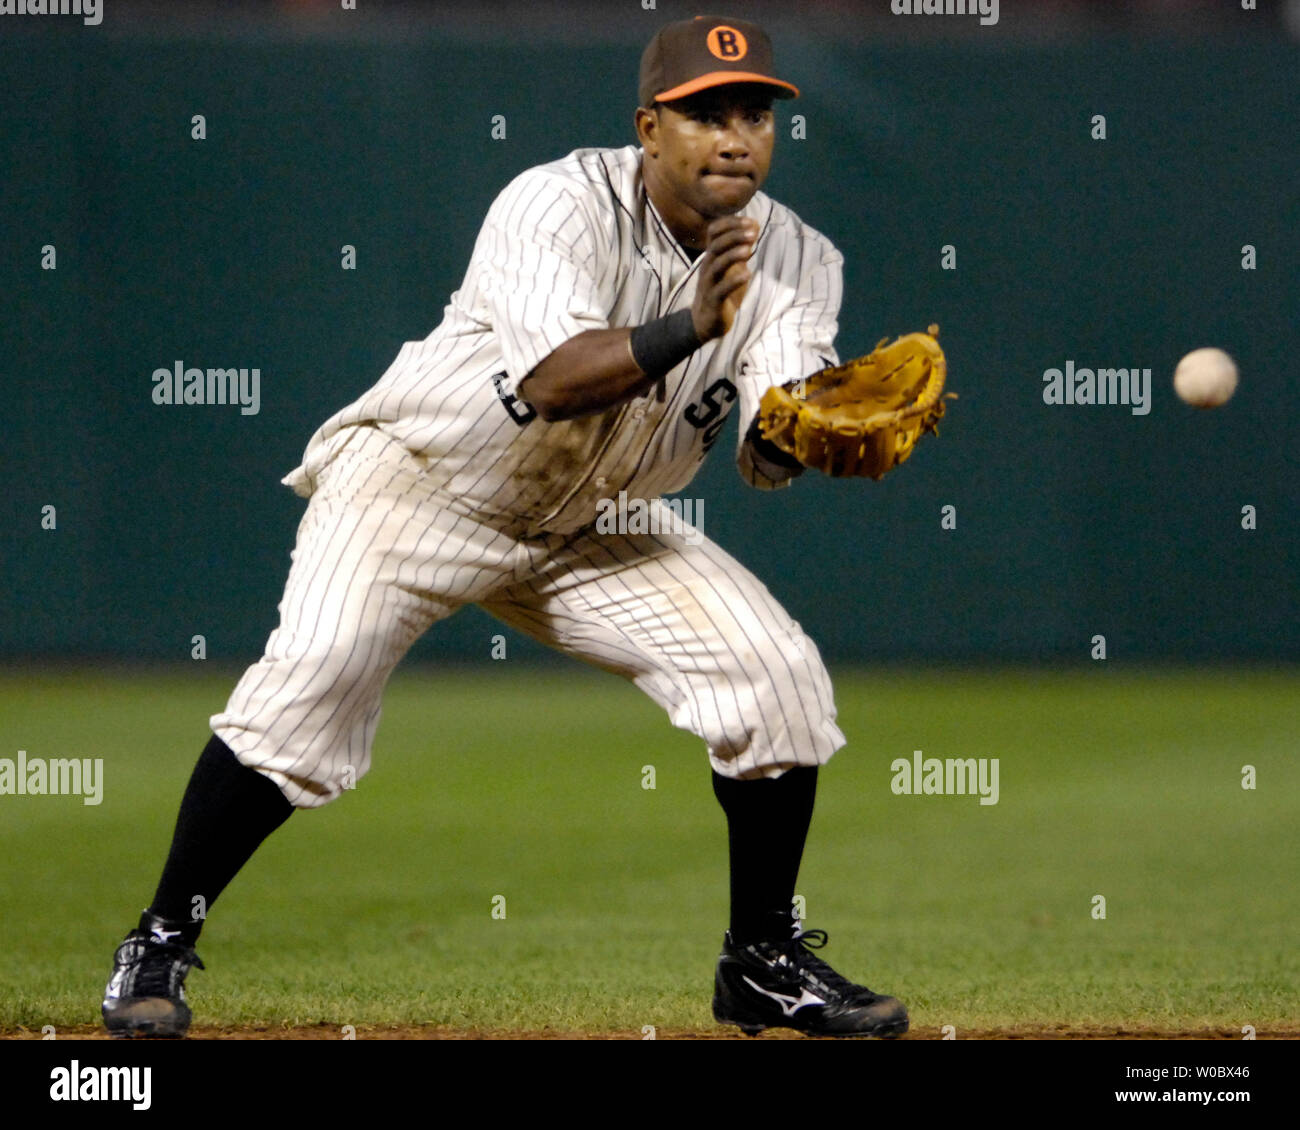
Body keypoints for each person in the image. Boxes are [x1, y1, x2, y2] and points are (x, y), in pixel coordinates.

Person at [101, 13, 908, 1040]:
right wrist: (692, 326)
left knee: (775, 677)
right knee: (315, 679)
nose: (735, 135)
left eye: (754, 113)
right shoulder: (553, 203)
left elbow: (765, 448)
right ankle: (162, 937)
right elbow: (552, 378)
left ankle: (760, 963)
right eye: (706, 113)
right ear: (648, 126)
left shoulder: (799, 259)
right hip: (419, 485)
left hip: (597, 520)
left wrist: (811, 433)